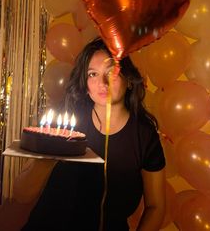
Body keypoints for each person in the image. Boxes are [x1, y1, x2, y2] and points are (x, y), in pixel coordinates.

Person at [20, 37, 166, 231]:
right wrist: (47, 155)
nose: (102, 83)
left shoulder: (144, 136)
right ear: (85, 85)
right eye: (93, 74)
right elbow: (21, 194)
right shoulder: (66, 123)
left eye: (111, 72)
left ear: (129, 80)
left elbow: (156, 207)